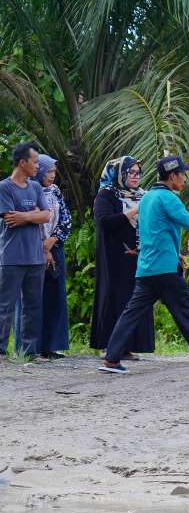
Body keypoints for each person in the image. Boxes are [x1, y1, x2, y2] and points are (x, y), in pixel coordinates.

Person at [98, 155, 189, 374]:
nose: (185, 179)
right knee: (186, 314)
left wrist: (175, 254)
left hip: (146, 269)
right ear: (172, 176)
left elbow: (149, 234)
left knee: (130, 314)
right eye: (183, 175)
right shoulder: (168, 198)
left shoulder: (147, 198)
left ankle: (111, 359)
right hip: (164, 271)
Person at [91, 156, 153, 359]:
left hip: (138, 256)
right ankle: (108, 346)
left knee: (134, 299)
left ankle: (128, 346)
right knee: (114, 297)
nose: (136, 177)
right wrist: (134, 211)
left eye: (138, 173)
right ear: (119, 174)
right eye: (131, 172)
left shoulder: (143, 195)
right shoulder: (106, 195)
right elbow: (104, 222)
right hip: (114, 256)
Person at [0, 142, 49, 362]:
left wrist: (25, 216)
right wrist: (33, 213)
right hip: (12, 257)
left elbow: (46, 215)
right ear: (22, 162)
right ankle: (1, 351)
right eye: (35, 162)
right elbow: (10, 219)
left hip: (35, 256)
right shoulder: (4, 188)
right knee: (5, 306)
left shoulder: (36, 187)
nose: (38, 166)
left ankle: (31, 351)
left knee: (33, 306)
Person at [35, 154, 72, 359]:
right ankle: (34, 347)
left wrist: (53, 240)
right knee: (35, 297)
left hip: (54, 246)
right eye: (49, 172)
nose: (52, 176)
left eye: (54, 172)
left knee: (55, 296)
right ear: (38, 170)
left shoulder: (55, 191)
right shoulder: (30, 190)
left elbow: (65, 218)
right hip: (34, 248)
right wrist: (44, 246)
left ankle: (51, 346)